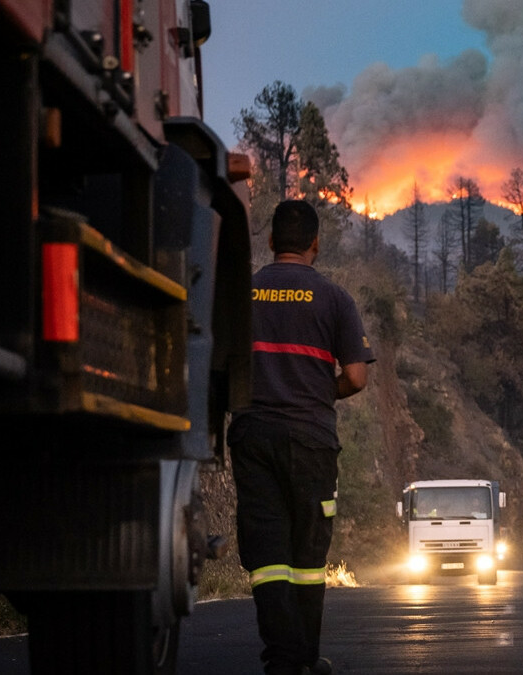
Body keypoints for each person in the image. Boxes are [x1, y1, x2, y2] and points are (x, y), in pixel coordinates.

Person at [228, 200, 375, 675]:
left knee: (268, 554)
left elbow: (221, 367)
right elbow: (355, 377)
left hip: (253, 434)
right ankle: (303, 659)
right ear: (315, 244)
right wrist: (318, 390)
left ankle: (284, 659)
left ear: (270, 241)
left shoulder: (242, 295)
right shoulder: (335, 299)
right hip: (311, 439)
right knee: (308, 556)